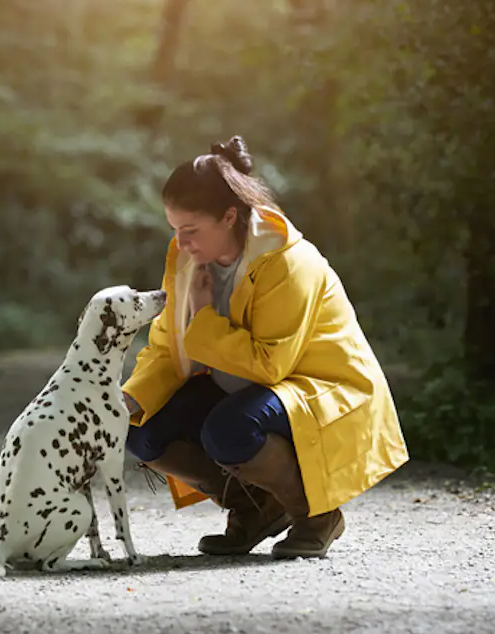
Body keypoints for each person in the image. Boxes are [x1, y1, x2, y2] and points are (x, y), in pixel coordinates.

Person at [120, 135, 409, 559]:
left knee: (229, 429)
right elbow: (167, 347)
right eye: (175, 230)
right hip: (244, 388)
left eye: (191, 230)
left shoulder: (289, 261)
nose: (182, 244)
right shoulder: (184, 259)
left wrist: (202, 319)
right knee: (142, 429)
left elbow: (271, 365)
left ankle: (318, 513)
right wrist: (124, 401)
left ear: (230, 216)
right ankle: (255, 508)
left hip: (318, 387)